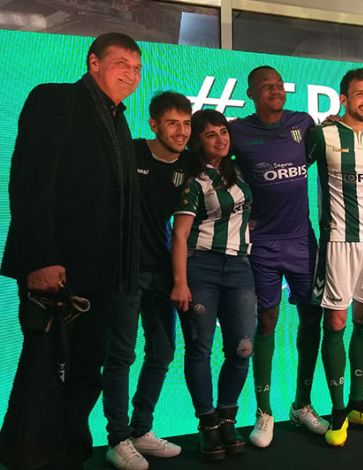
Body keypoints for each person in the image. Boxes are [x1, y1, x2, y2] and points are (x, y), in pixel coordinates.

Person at [0, 32, 141, 470]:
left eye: (137, 68)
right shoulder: (56, 99)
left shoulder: (118, 120)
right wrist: (41, 258)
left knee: (84, 372)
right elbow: (31, 181)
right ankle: (30, 458)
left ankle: (67, 454)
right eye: (122, 63)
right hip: (58, 270)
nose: (131, 74)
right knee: (46, 372)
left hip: (102, 275)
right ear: (93, 62)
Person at [228, 66, 327, 448]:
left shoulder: (303, 123)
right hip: (262, 245)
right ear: (251, 94)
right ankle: (263, 410)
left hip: (302, 241)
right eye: (266, 86)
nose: (276, 91)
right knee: (266, 320)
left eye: (280, 85)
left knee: (312, 317)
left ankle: (302, 404)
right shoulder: (237, 131)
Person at [102, 92, 192, 470]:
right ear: (154, 124)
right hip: (124, 270)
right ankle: (117, 439)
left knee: (163, 352)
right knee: (121, 355)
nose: (181, 131)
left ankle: (141, 430)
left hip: (161, 270)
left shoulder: (188, 164)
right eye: (172, 123)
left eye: (186, 124)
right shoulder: (131, 151)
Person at [306, 68, 363, 447]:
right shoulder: (323, 135)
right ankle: (337, 409)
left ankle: (358, 404)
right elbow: (293, 173)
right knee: (336, 322)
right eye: (359, 94)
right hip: (337, 241)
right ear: (343, 98)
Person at [170, 109, 256, 460]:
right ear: (196, 141)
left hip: (240, 267)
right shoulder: (193, 180)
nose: (221, 139)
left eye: (223, 132)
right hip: (201, 267)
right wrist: (180, 282)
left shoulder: (238, 171)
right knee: (200, 350)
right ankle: (207, 425)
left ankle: (227, 418)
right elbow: (179, 235)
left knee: (242, 348)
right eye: (210, 134)